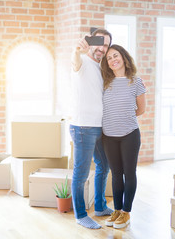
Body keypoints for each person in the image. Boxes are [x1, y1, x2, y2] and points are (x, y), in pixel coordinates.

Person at [70, 28, 113, 229]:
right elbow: (75, 63)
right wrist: (76, 51)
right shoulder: (83, 62)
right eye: (99, 42)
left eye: (106, 45)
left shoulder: (101, 67)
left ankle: (100, 206)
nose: (102, 48)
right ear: (91, 42)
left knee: (104, 166)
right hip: (83, 127)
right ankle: (80, 214)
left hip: (99, 127)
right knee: (81, 173)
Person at [100, 44, 146, 229]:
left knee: (129, 173)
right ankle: (117, 210)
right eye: (109, 58)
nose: (113, 60)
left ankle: (126, 212)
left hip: (129, 135)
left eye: (115, 55)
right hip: (108, 136)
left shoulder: (135, 81)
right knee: (116, 175)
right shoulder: (105, 82)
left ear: (124, 58)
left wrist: (123, 117)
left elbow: (141, 109)